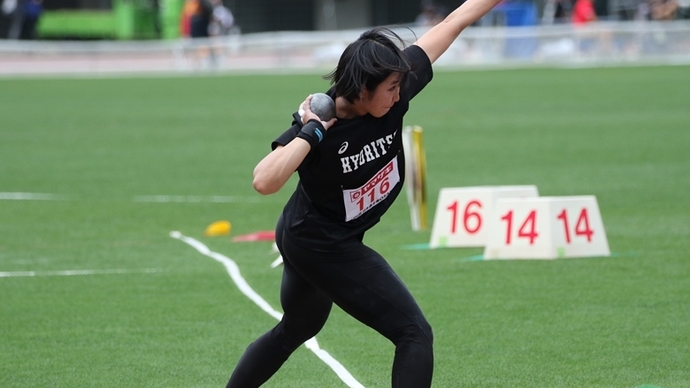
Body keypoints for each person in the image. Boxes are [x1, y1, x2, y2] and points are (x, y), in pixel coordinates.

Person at [227, 0, 503, 386]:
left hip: (312, 233)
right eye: (390, 89)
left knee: (297, 328)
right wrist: (311, 131)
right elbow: (264, 181)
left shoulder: (392, 91)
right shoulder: (321, 125)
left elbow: (457, 19)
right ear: (361, 88)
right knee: (414, 333)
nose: (397, 95)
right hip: (320, 243)